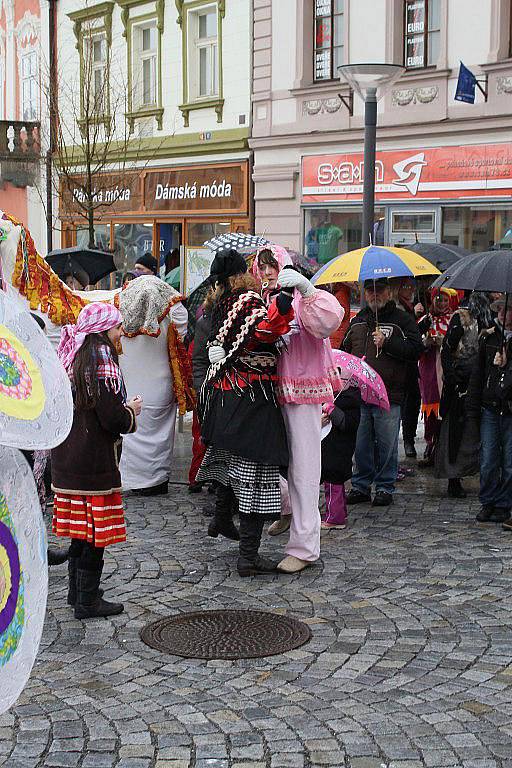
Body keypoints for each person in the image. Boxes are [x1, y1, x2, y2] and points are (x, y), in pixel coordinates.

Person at [196, 248, 293, 577]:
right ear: (243, 273)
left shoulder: (219, 304)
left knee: (232, 463)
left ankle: (222, 518)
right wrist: (282, 307)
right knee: (258, 474)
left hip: (226, 397)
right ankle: (248, 557)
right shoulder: (249, 301)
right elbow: (265, 332)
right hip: (252, 397)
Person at [252, 245, 344, 573]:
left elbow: (330, 320)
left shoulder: (302, 299)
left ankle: (305, 547)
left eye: (270, 265)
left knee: (305, 471)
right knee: (276, 468)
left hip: (303, 395)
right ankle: (285, 515)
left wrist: (307, 290)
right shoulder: (262, 302)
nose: (265, 272)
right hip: (270, 396)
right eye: (260, 267)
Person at [51, 303, 142, 619]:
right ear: (104, 328)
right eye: (117, 327)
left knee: (81, 529)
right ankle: (87, 602)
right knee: (94, 533)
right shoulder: (101, 357)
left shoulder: (74, 355)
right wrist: (130, 411)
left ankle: (77, 592)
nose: (121, 333)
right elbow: (111, 417)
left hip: (68, 458)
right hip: (90, 460)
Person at [344, 278, 424, 506]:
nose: (374, 295)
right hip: (360, 394)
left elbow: (416, 349)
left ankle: (384, 487)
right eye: (370, 290)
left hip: (390, 394)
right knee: (361, 445)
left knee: (387, 444)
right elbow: (345, 352)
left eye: (379, 290)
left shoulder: (402, 320)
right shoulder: (358, 321)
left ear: (389, 292)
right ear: (365, 293)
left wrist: (388, 343)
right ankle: (360, 485)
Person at [118, 275, 192, 496]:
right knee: (162, 435)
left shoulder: (121, 315)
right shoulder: (173, 312)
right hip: (162, 386)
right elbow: (182, 331)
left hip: (133, 384)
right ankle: (158, 479)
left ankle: (135, 480)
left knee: (133, 433)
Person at [435, 292, 493, 498]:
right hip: (460, 385)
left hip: (482, 382)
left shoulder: (492, 317)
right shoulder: (461, 317)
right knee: (457, 433)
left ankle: (482, 476)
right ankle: (454, 478)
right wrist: (453, 379)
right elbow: (447, 349)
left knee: (477, 431)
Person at [467, 297, 512, 526]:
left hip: (509, 410)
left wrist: (508, 364)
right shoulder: (489, 337)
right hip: (490, 407)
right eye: (500, 309)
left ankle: (505, 504)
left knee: (509, 461)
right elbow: (478, 374)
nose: (503, 313)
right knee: (488, 459)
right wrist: (473, 409)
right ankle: (488, 501)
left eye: (508, 309)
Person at [417, 288, 458, 467]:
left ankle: (442, 445)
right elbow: (416, 344)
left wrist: (444, 343)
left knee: (446, 406)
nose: (441, 304)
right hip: (428, 368)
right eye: (438, 300)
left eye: (444, 300)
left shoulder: (454, 319)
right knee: (430, 406)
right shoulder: (425, 320)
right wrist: (426, 341)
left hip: (447, 368)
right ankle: (430, 443)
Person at [320, 359, 361, 529]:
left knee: (333, 481)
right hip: (333, 447)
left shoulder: (349, 400)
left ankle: (334, 518)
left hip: (339, 449)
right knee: (332, 481)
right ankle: (338, 512)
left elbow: (347, 423)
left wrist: (331, 409)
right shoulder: (337, 397)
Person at [391, 277, 422, 458]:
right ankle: (404, 443)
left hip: (410, 365)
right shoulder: (399, 310)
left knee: (413, 402)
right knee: (403, 404)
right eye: (406, 286)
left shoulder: (409, 308)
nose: (411, 290)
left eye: (412, 286)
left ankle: (408, 439)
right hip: (400, 366)